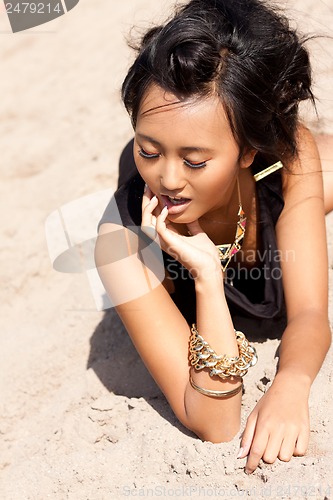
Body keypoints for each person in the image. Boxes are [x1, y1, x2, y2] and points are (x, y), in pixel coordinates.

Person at [95, 0, 332, 474]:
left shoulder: (282, 158)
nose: (167, 179)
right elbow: (215, 421)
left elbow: (309, 313)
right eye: (148, 150)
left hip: (254, 181)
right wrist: (204, 275)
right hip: (182, 234)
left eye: (194, 161)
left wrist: (291, 382)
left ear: (248, 150)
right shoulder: (118, 244)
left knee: (318, 158)